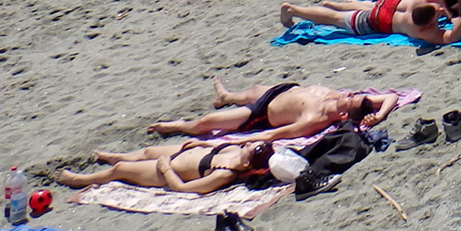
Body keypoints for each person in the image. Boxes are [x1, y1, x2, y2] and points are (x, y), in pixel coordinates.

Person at [152, 81, 398, 141]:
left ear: (344, 116)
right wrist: (379, 114)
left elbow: (273, 135)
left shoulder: (314, 120)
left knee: (207, 122)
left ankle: (176, 126)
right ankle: (226, 96)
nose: (349, 94)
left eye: (351, 100)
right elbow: (391, 96)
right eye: (354, 94)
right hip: (283, 90)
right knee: (255, 88)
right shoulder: (340, 97)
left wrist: (249, 140)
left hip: (261, 113)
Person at [56, 139, 275, 195]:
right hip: (181, 155)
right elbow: (215, 147)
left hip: (167, 171)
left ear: (247, 163)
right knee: (148, 151)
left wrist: (165, 169)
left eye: (257, 148)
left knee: (120, 170)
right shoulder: (236, 150)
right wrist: (202, 144)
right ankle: (116, 156)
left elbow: (183, 189)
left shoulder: (224, 174)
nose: (254, 145)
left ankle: (78, 180)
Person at [279, 0, 461, 46]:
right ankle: (295, 10)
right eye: (438, 11)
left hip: (388, 4)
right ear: (429, 22)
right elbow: (452, 38)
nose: (441, 10)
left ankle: (339, 3)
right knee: (336, 19)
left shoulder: (419, 6)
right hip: (373, 22)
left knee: (365, 8)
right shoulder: (422, 31)